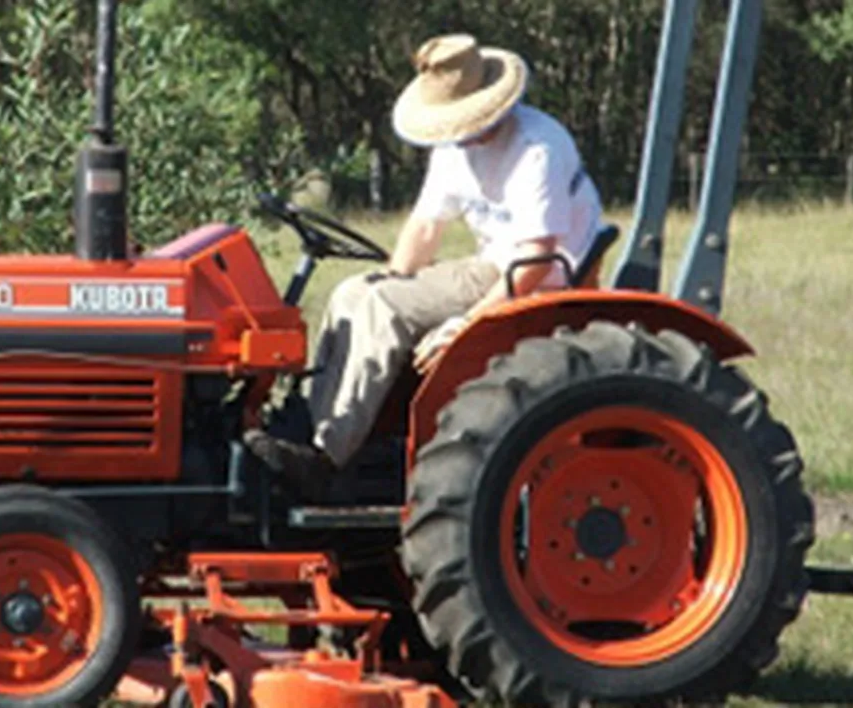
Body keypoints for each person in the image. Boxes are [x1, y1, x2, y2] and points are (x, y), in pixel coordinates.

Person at [246, 34, 603, 500]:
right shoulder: (454, 148)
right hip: (496, 265)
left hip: (539, 278)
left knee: (383, 306)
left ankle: (325, 459)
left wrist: (467, 324)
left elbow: (535, 257)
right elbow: (425, 227)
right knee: (355, 292)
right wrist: (392, 277)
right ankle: (306, 427)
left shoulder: (538, 148)